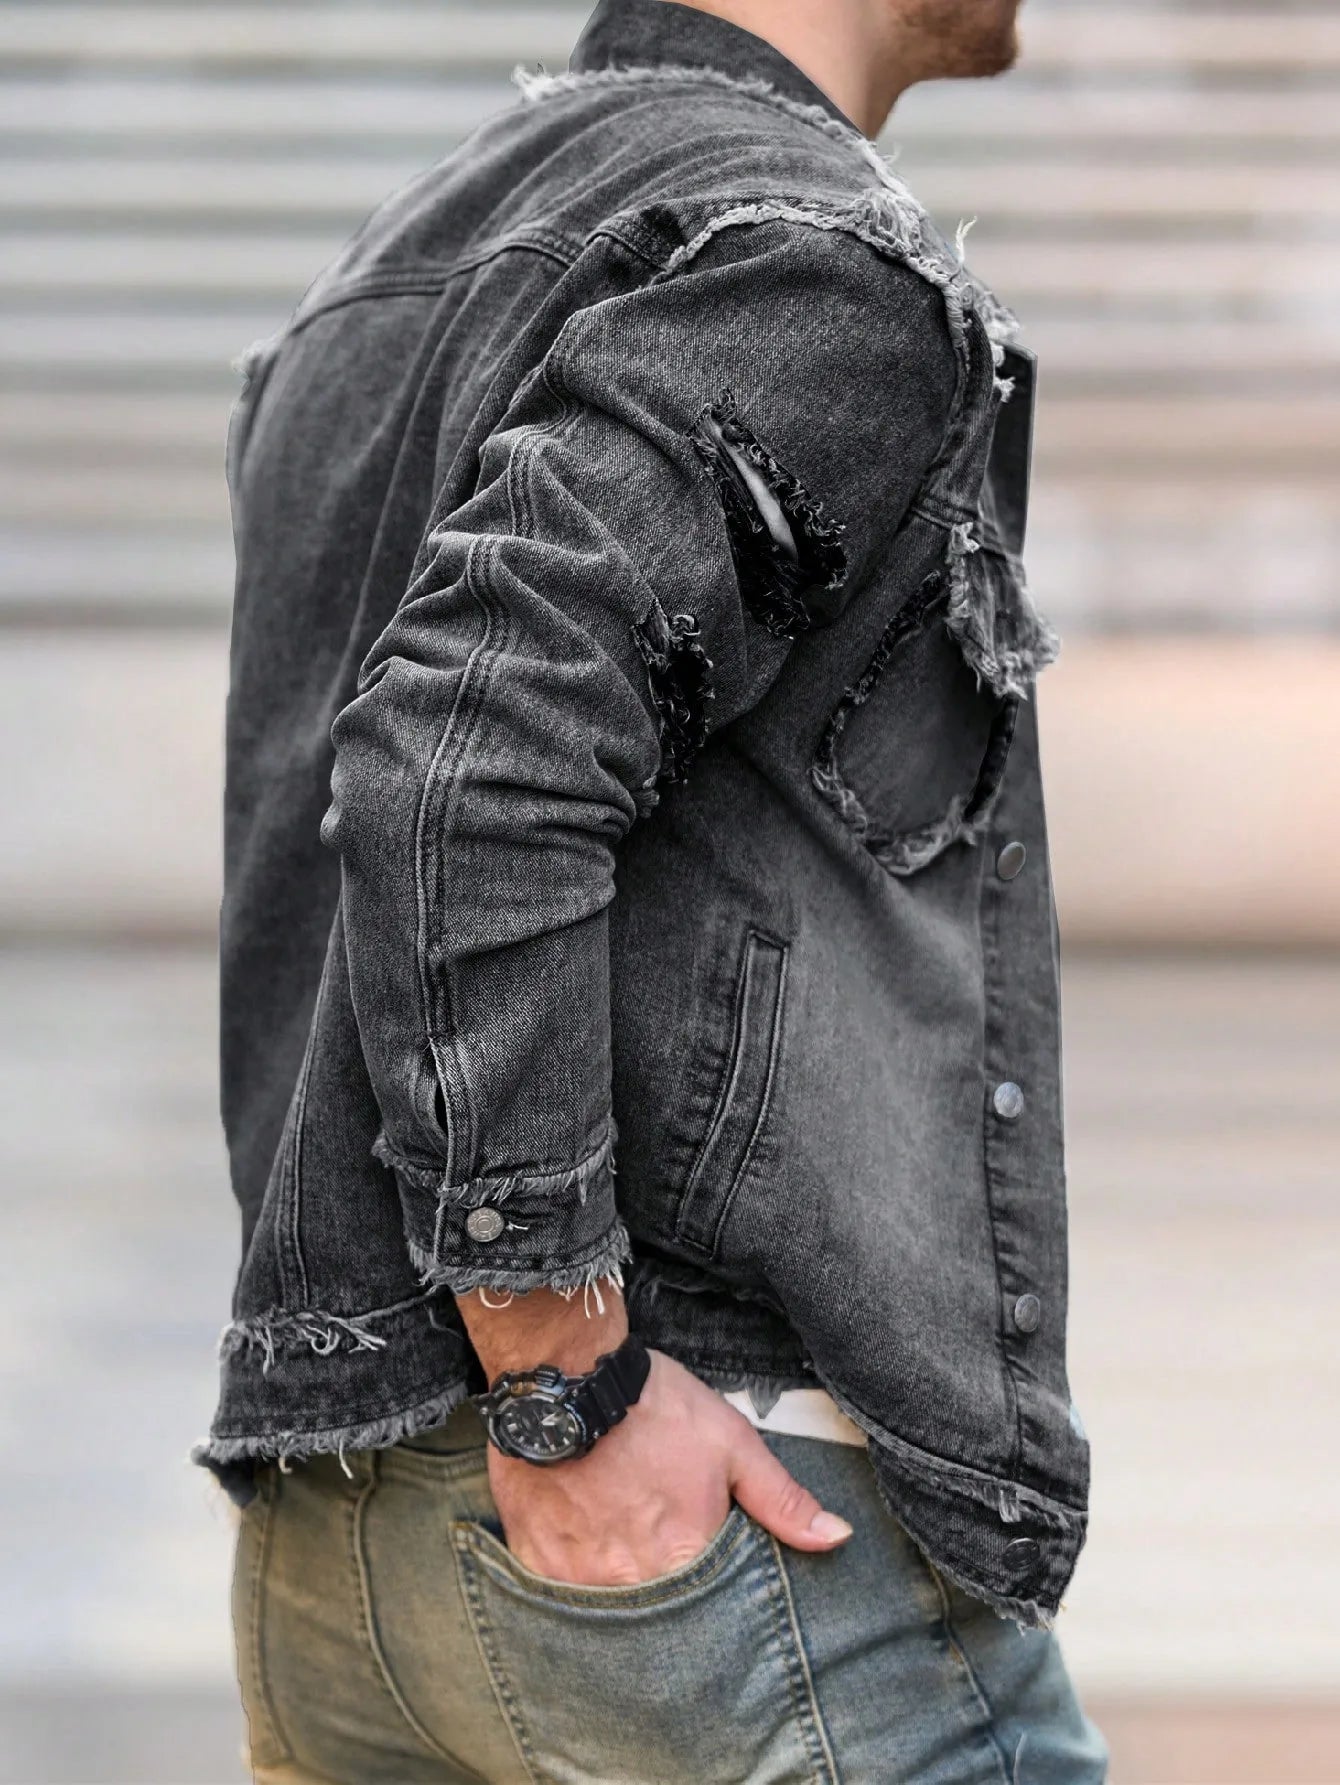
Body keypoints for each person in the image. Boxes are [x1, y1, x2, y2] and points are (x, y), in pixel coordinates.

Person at [200, 0, 1109, 1777]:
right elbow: (468, 748)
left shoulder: (386, 268)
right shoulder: (813, 259)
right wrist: (567, 1376)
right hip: (683, 1551)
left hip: (338, 1559)